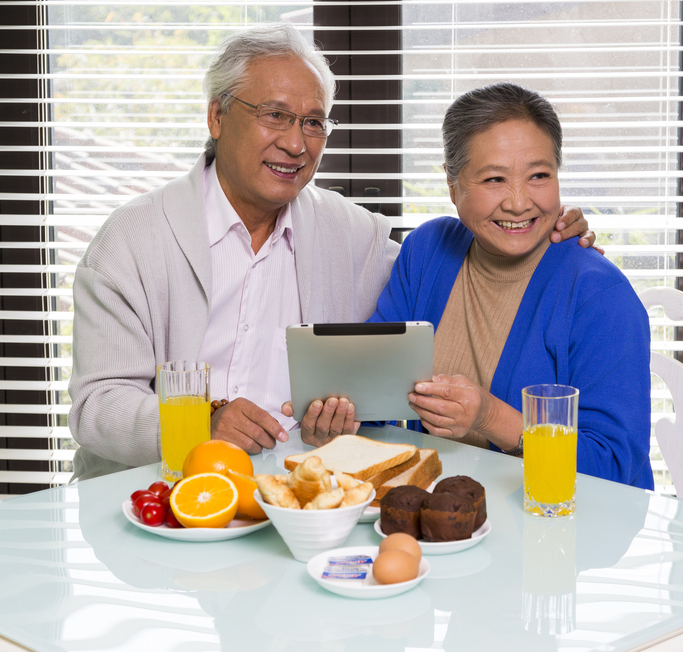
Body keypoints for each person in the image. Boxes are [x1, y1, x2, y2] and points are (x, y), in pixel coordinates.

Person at [69, 27, 595, 479]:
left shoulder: (353, 234)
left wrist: (543, 226)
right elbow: (96, 407)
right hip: (168, 496)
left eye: (314, 122)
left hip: (308, 496)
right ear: (217, 116)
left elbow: (443, 273)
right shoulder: (132, 242)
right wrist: (197, 426)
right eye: (275, 115)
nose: (297, 144)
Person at [369, 82, 653, 488]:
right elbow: (375, 387)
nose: (519, 202)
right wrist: (340, 412)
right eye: (494, 179)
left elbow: (611, 467)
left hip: (561, 532)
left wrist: (490, 416)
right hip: (443, 518)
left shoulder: (600, 296)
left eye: (539, 175)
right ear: (452, 185)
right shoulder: (428, 250)